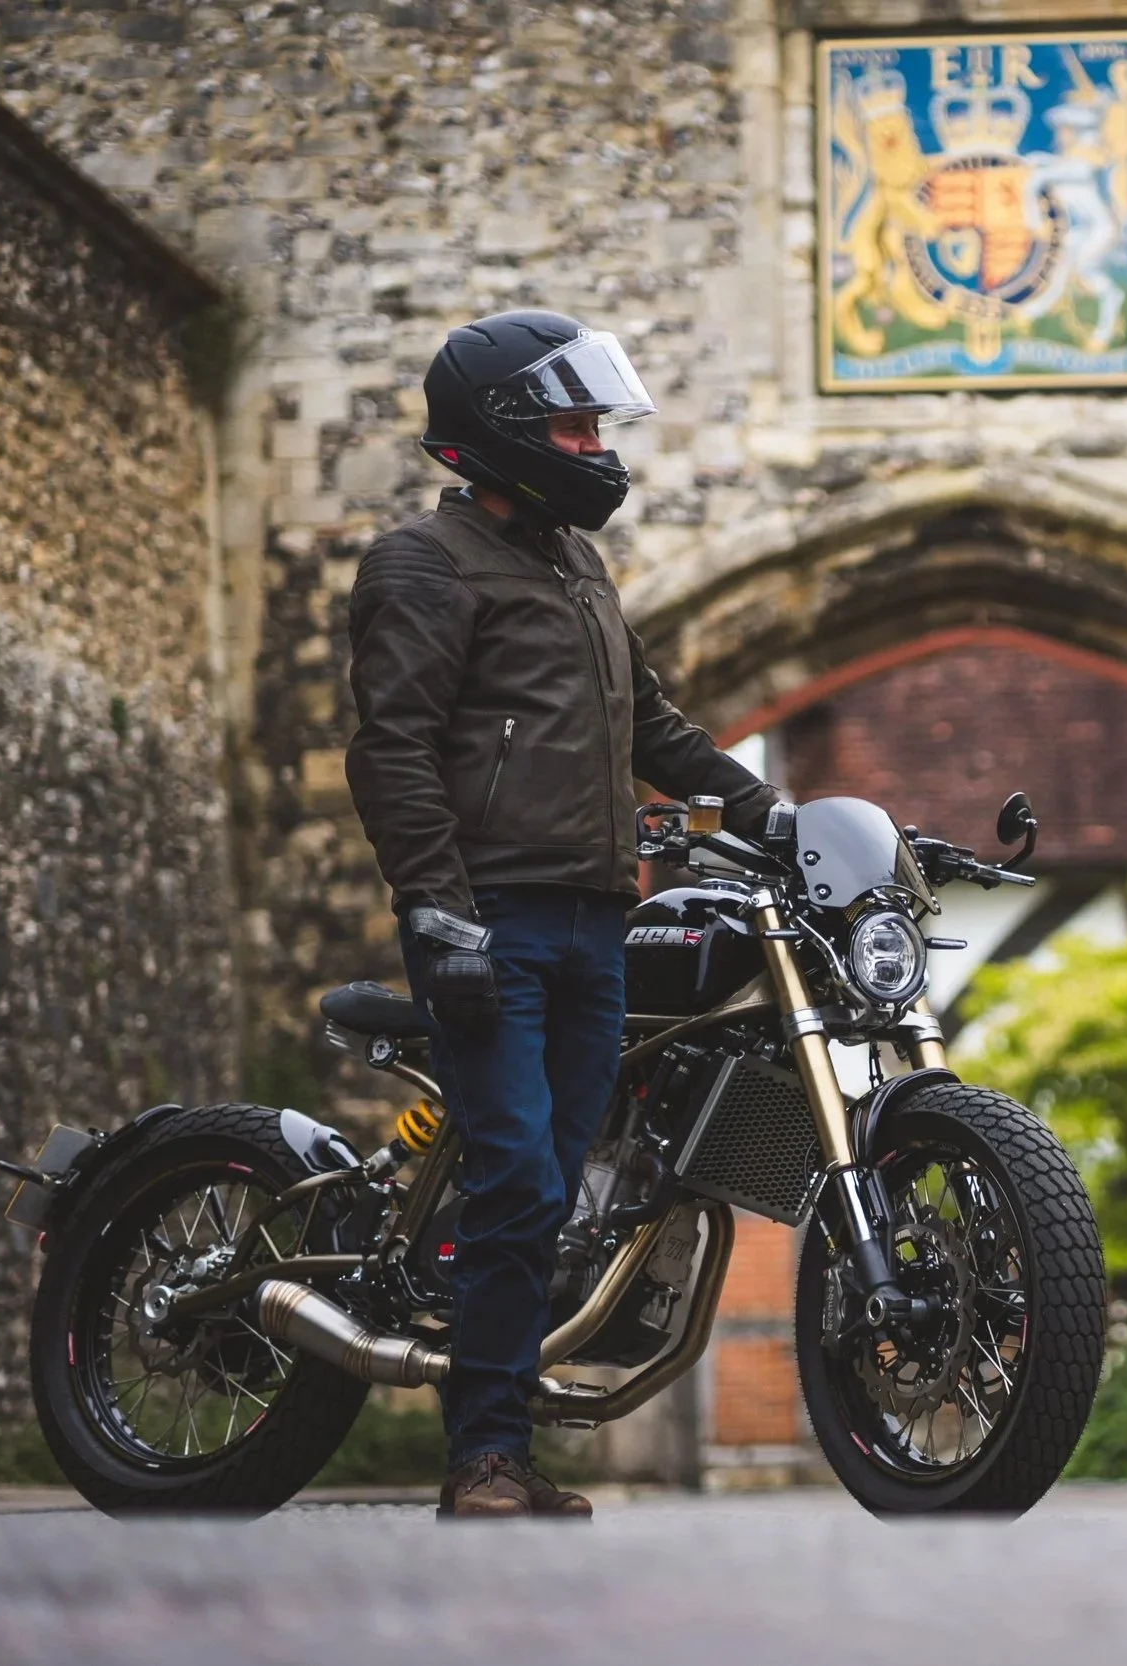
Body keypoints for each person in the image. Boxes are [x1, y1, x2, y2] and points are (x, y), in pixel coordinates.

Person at [346, 310, 781, 1520]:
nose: (596, 445)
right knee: (523, 1180)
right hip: (493, 920)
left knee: (569, 1186)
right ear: (503, 434)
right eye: (575, 425)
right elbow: (393, 751)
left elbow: (654, 726)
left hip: (598, 921)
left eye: (597, 424)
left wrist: (772, 813)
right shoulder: (421, 566)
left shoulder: (576, 567)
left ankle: (512, 1446)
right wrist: (436, 912)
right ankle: (481, 1458)